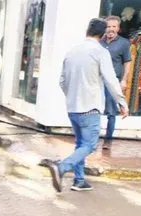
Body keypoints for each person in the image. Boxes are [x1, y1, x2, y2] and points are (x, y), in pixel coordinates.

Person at [51, 18, 128, 193]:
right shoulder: (100, 52)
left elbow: (62, 81)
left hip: (73, 107)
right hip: (90, 107)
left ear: (87, 31)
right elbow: (111, 80)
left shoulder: (72, 51)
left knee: (80, 144)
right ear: (102, 35)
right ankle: (61, 168)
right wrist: (121, 102)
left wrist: (72, 96)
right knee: (90, 145)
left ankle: (79, 180)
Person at [100, 16, 132, 150]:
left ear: (118, 28)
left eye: (113, 27)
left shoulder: (124, 43)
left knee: (111, 112)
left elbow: (127, 62)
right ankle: (92, 136)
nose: (110, 29)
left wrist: (124, 80)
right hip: (98, 81)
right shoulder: (99, 42)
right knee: (94, 109)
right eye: (108, 26)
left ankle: (108, 139)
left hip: (113, 82)